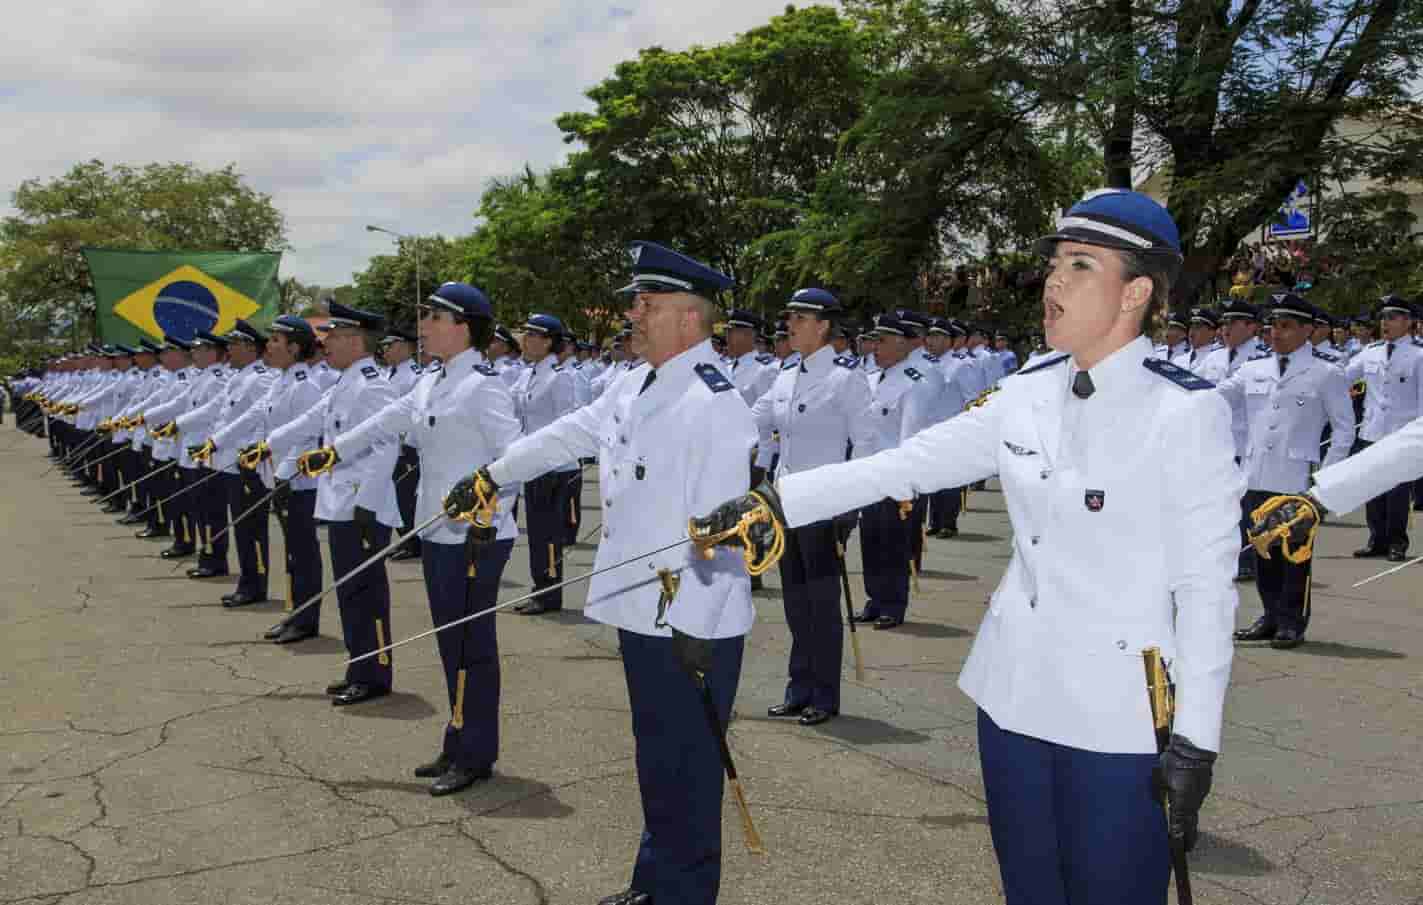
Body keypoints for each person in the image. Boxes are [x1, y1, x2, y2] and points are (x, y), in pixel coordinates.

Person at [694, 189, 1237, 905]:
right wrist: (776, 500)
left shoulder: (1185, 410)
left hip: (1118, 714)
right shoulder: (1030, 387)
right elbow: (906, 463)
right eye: (1053, 264)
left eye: (1079, 265)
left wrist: (1194, 740)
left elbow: (1206, 586)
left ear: (1135, 291)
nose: (1053, 282)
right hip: (1011, 695)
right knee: (1029, 889)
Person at [445, 241, 755, 905]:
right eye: (637, 303)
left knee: (689, 767)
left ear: (687, 318)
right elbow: (564, 436)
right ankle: (655, 882)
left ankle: (683, 893)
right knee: (655, 755)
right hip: (639, 605)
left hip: (689, 621)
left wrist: (697, 628)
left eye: (647, 304)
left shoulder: (715, 402)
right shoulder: (630, 383)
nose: (633, 315)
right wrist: (490, 473)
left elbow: (719, 532)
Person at [321, 283, 520, 794]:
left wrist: (488, 516)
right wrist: (337, 450)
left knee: (472, 646)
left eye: (433, 316)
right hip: (437, 529)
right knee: (450, 643)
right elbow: (391, 418)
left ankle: (475, 754)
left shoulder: (483, 384)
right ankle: (458, 739)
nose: (424, 325)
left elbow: (515, 457)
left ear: (463, 325)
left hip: (476, 536)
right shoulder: (435, 378)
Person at [751, 287, 873, 726]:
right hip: (786, 505)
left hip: (825, 505)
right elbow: (753, 420)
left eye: (800, 319)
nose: (791, 325)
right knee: (796, 605)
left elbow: (866, 443)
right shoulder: (785, 375)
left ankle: (824, 694)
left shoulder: (846, 378)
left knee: (821, 606)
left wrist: (849, 504)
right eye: (791, 318)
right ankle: (798, 689)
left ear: (823, 326)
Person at [274, 303, 401, 701]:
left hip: (362, 507)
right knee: (349, 591)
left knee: (367, 593)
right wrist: (267, 448)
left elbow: (386, 445)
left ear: (354, 340)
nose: (324, 344)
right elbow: (309, 424)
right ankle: (358, 666)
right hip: (341, 505)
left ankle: (376, 674)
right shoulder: (344, 382)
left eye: (333, 337)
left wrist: (367, 503)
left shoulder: (371, 385)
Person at [1215, 296, 1353, 648]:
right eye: (1274, 325)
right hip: (1256, 475)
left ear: (1308, 329)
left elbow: (1343, 429)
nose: (1277, 333)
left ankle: (1292, 622)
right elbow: (1213, 399)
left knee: (1294, 555)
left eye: (1287, 326)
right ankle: (1270, 615)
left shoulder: (1326, 373)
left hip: (1296, 480)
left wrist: (1328, 478)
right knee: (1262, 553)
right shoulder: (1253, 369)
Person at [1343, 296, 1423, 561]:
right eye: (1383, 318)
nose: (1385, 323)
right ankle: (1376, 539)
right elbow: (1342, 376)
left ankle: (1397, 542)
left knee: (1397, 493)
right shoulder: (1371, 352)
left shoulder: (1419, 355)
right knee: (1372, 489)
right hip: (1371, 431)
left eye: (1392, 317)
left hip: (1402, 433)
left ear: (1408, 322)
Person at [508, 314, 577, 614]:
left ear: (548, 341)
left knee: (548, 534)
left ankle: (549, 594)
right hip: (533, 464)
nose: (526, 339)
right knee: (537, 533)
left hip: (554, 467)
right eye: (525, 334)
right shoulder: (528, 374)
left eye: (533, 335)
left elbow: (566, 423)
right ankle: (540, 587)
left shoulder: (559, 377)